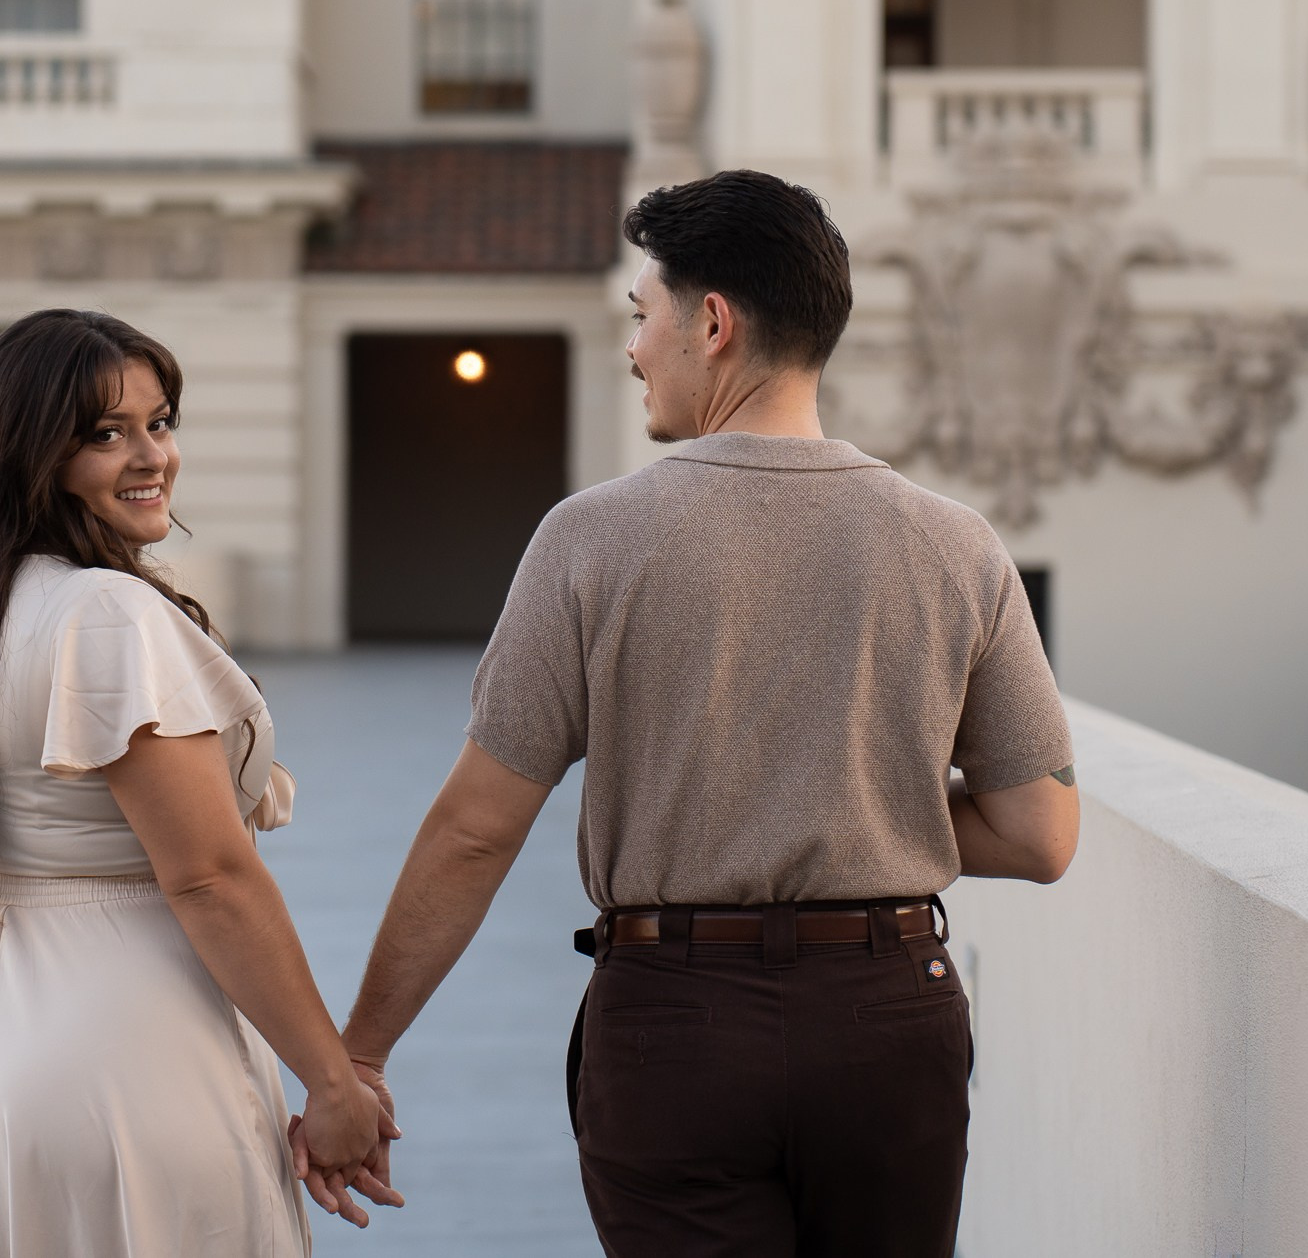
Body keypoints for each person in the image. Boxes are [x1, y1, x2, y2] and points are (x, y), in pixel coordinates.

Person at [329, 170, 1081, 1257]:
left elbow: (477, 827)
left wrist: (360, 1055)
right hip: (889, 1012)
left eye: (643, 316)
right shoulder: (956, 544)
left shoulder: (588, 541)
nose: (633, 347)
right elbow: (1042, 833)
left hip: (675, 1020)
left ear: (713, 323)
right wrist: (856, 797)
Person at [0, 308, 397, 1257]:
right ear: (33, 457)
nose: (152, 455)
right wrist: (333, 1081)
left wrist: (12, 1042)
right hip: (130, 1058)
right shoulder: (104, 615)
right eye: (106, 433)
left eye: (160, 421)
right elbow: (210, 877)